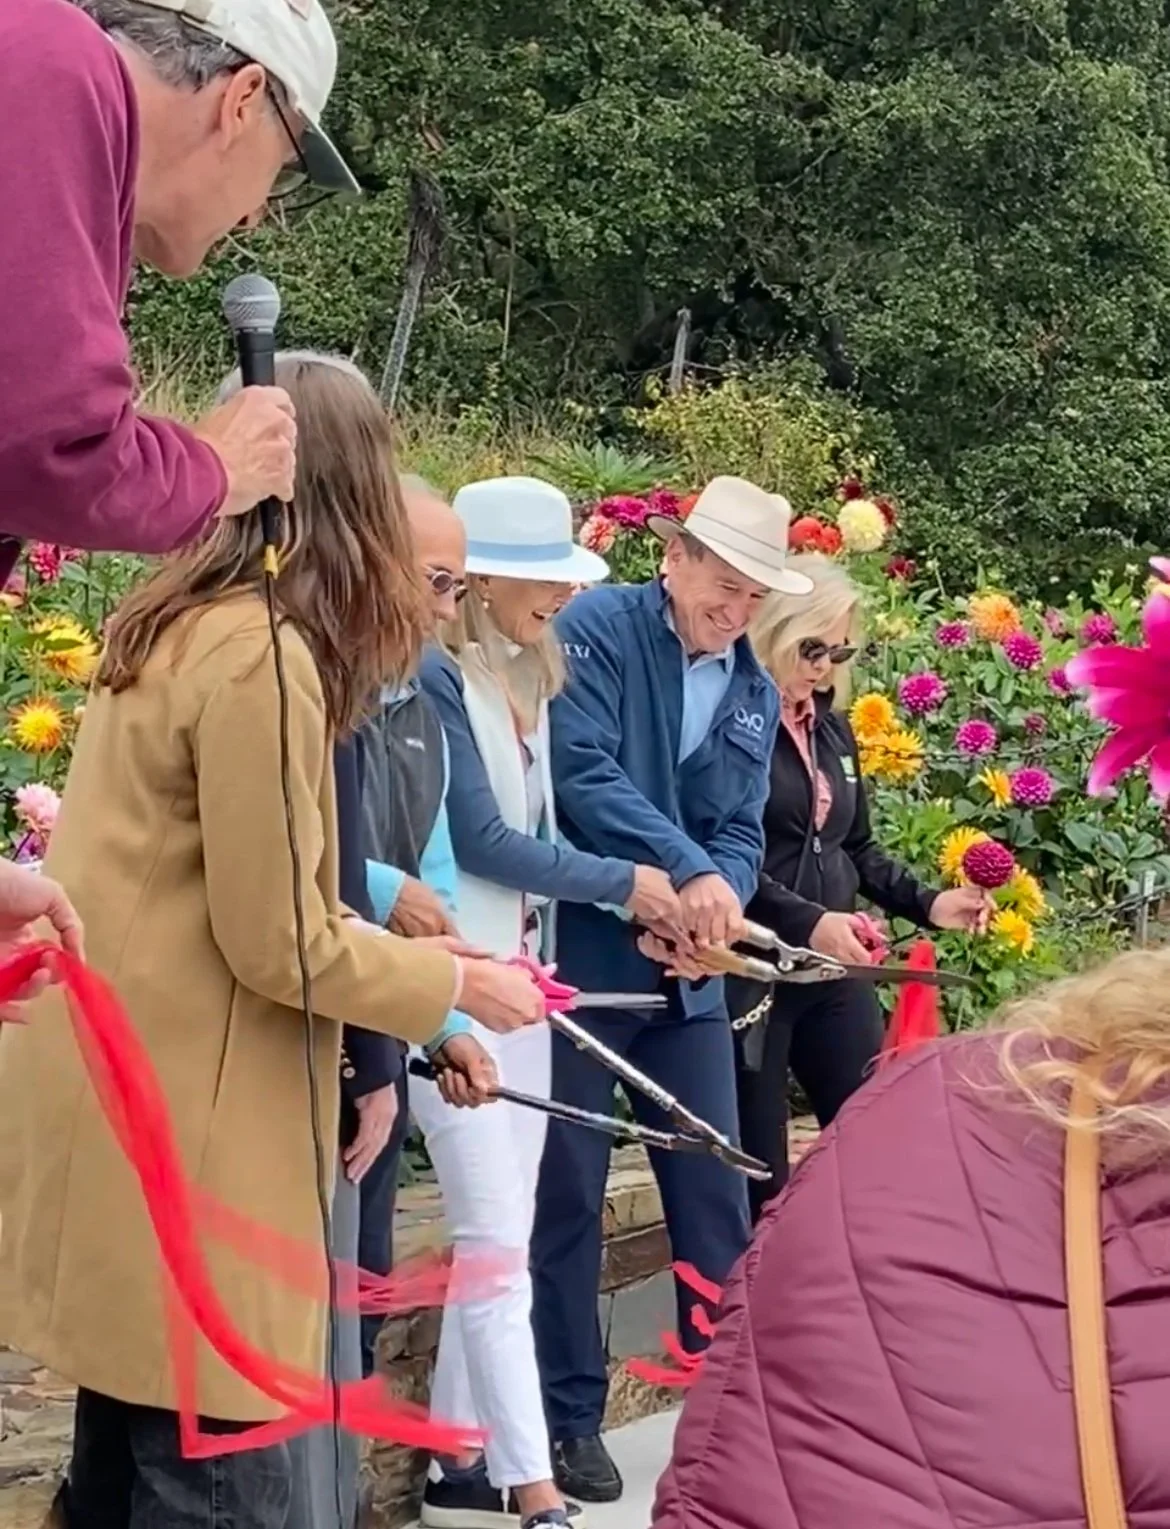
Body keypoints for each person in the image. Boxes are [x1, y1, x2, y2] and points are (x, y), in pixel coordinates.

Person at [0, 354, 546, 1529]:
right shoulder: (262, 652)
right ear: (350, 491)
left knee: (115, 1469)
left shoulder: (172, 617)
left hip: (119, 1122)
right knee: (220, 1486)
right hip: (200, 1152)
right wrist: (457, 987)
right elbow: (281, 945)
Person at [0, 0, 359, 966]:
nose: (253, 221)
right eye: (278, 178)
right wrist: (213, 467)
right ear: (242, 97)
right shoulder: (52, 62)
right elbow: (47, 444)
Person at [652, 945, 1170, 1528]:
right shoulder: (955, 1098)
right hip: (766, 971)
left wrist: (921, 901)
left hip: (817, 980)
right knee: (758, 1172)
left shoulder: (944, 1090)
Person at [415, 476, 682, 1529]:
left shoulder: (517, 677)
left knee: (503, 1235)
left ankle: (458, 1456)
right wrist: (626, 881)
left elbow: (540, 846)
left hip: (518, 987)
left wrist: (634, 895)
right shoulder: (440, 681)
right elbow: (480, 840)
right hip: (450, 992)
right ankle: (534, 1492)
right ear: (479, 578)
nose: (562, 600)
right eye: (544, 581)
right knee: (491, 1241)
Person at [531, 477, 805, 1505]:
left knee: (716, 1193)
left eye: (752, 596)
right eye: (723, 584)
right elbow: (578, 769)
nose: (734, 610)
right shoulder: (595, 629)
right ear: (675, 556)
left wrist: (718, 907)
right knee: (565, 1196)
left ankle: (731, 1412)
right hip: (584, 967)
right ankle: (566, 1417)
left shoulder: (750, 687)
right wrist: (684, 872)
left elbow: (742, 828)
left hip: (687, 978)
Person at [731, 553, 992, 1219]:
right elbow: (726, 855)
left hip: (831, 970)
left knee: (877, 1144)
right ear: (774, 627)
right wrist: (809, 920)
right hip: (753, 968)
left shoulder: (831, 727)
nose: (822, 666)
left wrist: (931, 902)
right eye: (812, 647)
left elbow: (855, 845)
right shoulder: (734, 721)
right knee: (760, 1180)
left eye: (837, 650)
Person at [356, 475, 469, 1386]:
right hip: (317, 1036)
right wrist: (386, 888)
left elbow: (434, 887)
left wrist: (453, 1027)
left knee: (359, 1301)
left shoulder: (421, 711)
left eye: (457, 589)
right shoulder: (316, 695)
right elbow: (286, 855)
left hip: (383, 1034)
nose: (447, 611)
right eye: (436, 582)